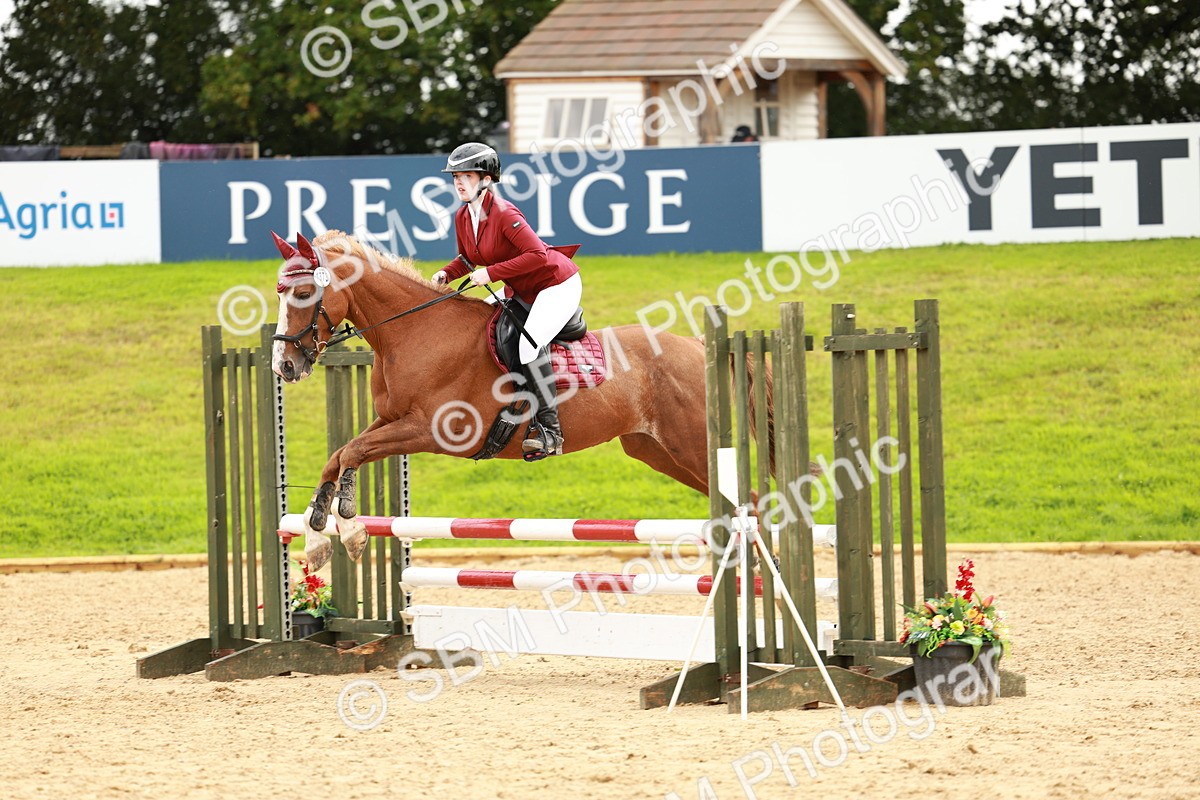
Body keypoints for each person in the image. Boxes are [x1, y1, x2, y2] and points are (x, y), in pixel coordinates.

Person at [431, 142, 582, 459]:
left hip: (554, 284)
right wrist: (446, 273)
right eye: (455, 177)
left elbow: (537, 255)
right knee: (484, 328)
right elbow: (468, 259)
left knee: (528, 346)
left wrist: (492, 274)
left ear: (486, 179)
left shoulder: (504, 213)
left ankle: (551, 432)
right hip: (520, 288)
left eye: (466, 176)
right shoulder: (462, 216)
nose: (458, 182)